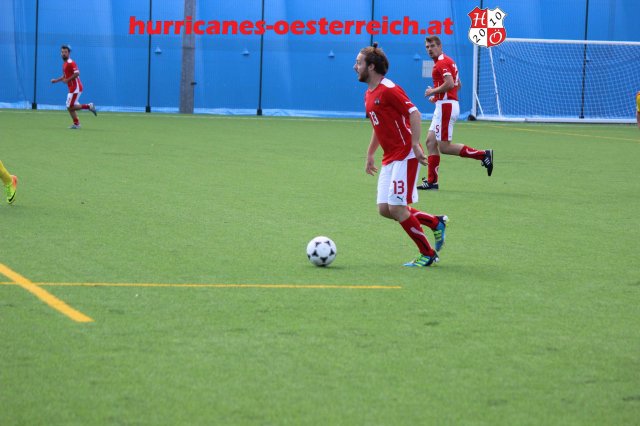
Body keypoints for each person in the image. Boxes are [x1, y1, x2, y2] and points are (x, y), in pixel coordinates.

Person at [355, 43, 448, 267]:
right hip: (390, 157)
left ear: (372, 66)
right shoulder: (369, 94)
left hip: (406, 154)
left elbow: (414, 113)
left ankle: (428, 253)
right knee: (385, 209)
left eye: (359, 63)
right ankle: (435, 222)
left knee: (397, 208)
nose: (355, 67)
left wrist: (415, 144)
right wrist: (370, 154)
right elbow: (378, 127)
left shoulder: (389, 89)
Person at [417, 35, 493, 190]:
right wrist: (439, 96)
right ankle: (432, 181)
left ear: (439, 46)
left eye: (432, 46)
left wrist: (433, 92)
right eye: (427, 47)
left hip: (446, 107)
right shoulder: (446, 61)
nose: (429, 49)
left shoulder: (442, 63)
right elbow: (458, 84)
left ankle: (483, 155)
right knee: (430, 142)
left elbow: (450, 83)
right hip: (444, 105)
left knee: (444, 147)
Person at [51, 45, 97, 129]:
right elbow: (65, 76)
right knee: (70, 106)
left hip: (76, 87)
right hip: (72, 88)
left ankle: (89, 106)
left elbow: (77, 73)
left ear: (69, 53)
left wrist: (67, 80)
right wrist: (56, 80)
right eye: (62, 52)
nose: (63, 54)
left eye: (65, 52)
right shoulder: (65, 64)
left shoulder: (70, 62)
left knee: (69, 106)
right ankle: (76, 124)